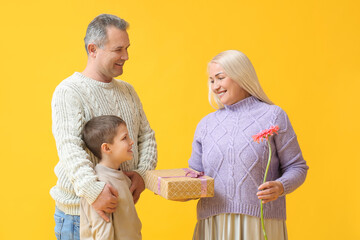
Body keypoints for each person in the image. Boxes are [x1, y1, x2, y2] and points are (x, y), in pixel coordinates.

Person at [50, 14, 157, 240]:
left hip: (121, 210)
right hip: (80, 215)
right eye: (118, 49)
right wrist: (93, 191)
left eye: (127, 48)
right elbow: (69, 147)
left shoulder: (128, 91)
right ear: (93, 49)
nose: (126, 56)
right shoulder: (69, 91)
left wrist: (141, 174)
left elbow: (146, 136)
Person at [188, 50, 309, 240]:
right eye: (211, 80)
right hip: (213, 224)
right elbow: (194, 174)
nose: (215, 86)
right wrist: (178, 187)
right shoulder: (205, 124)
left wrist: (280, 186)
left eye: (220, 78)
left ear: (240, 76)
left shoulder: (273, 116)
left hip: (260, 222)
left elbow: (297, 167)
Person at [80, 115, 142, 240]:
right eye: (125, 138)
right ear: (107, 148)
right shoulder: (100, 185)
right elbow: (103, 235)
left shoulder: (123, 177)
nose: (131, 142)